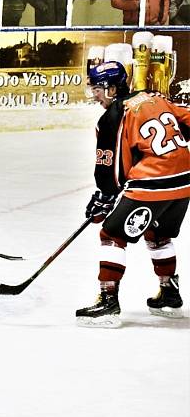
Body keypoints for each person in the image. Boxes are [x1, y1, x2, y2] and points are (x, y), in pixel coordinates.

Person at [76, 61, 189, 328]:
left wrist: (104, 198)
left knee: (112, 234)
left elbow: (112, 169)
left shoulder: (113, 116)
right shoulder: (154, 96)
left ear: (113, 89)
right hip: (184, 181)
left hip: (153, 183)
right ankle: (170, 295)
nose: (95, 95)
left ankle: (107, 301)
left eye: (98, 89)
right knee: (158, 235)